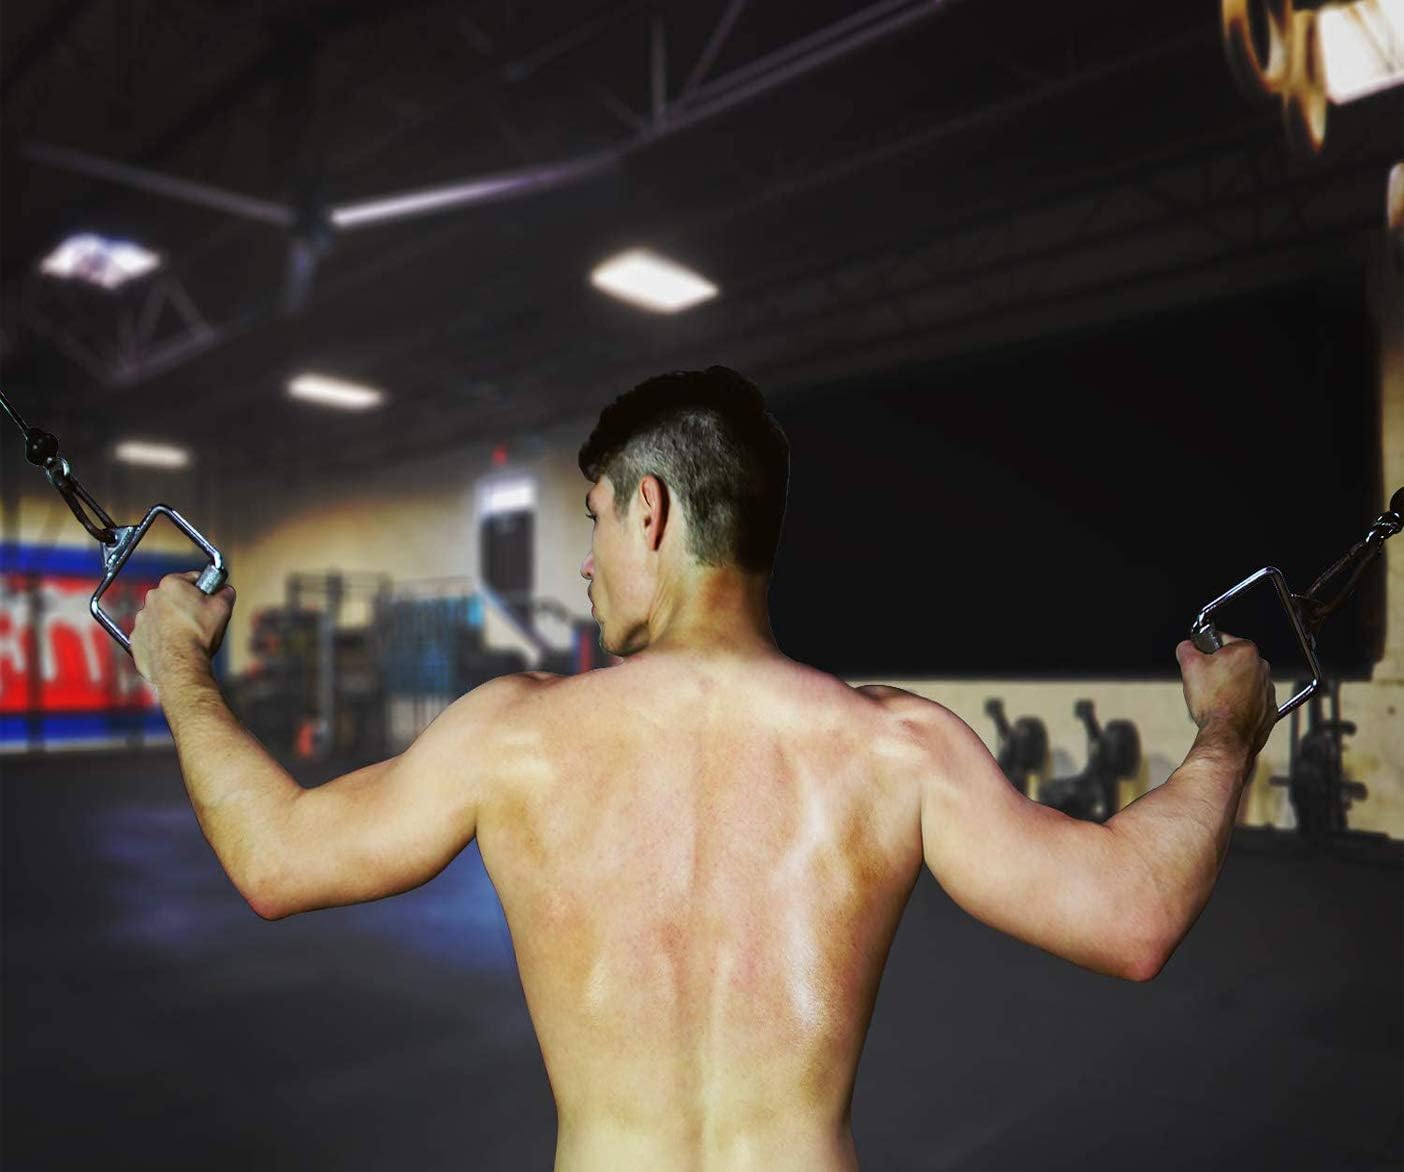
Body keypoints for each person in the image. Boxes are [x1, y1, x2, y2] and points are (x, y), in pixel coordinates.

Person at [132, 365, 1277, 1171]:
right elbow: (1133, 913)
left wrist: (178, 664)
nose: (586, 565)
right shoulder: (895, 747)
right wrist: (1229, 728)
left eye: (593, 519)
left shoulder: (513, 734)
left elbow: (277, 858)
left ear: (651, 508)